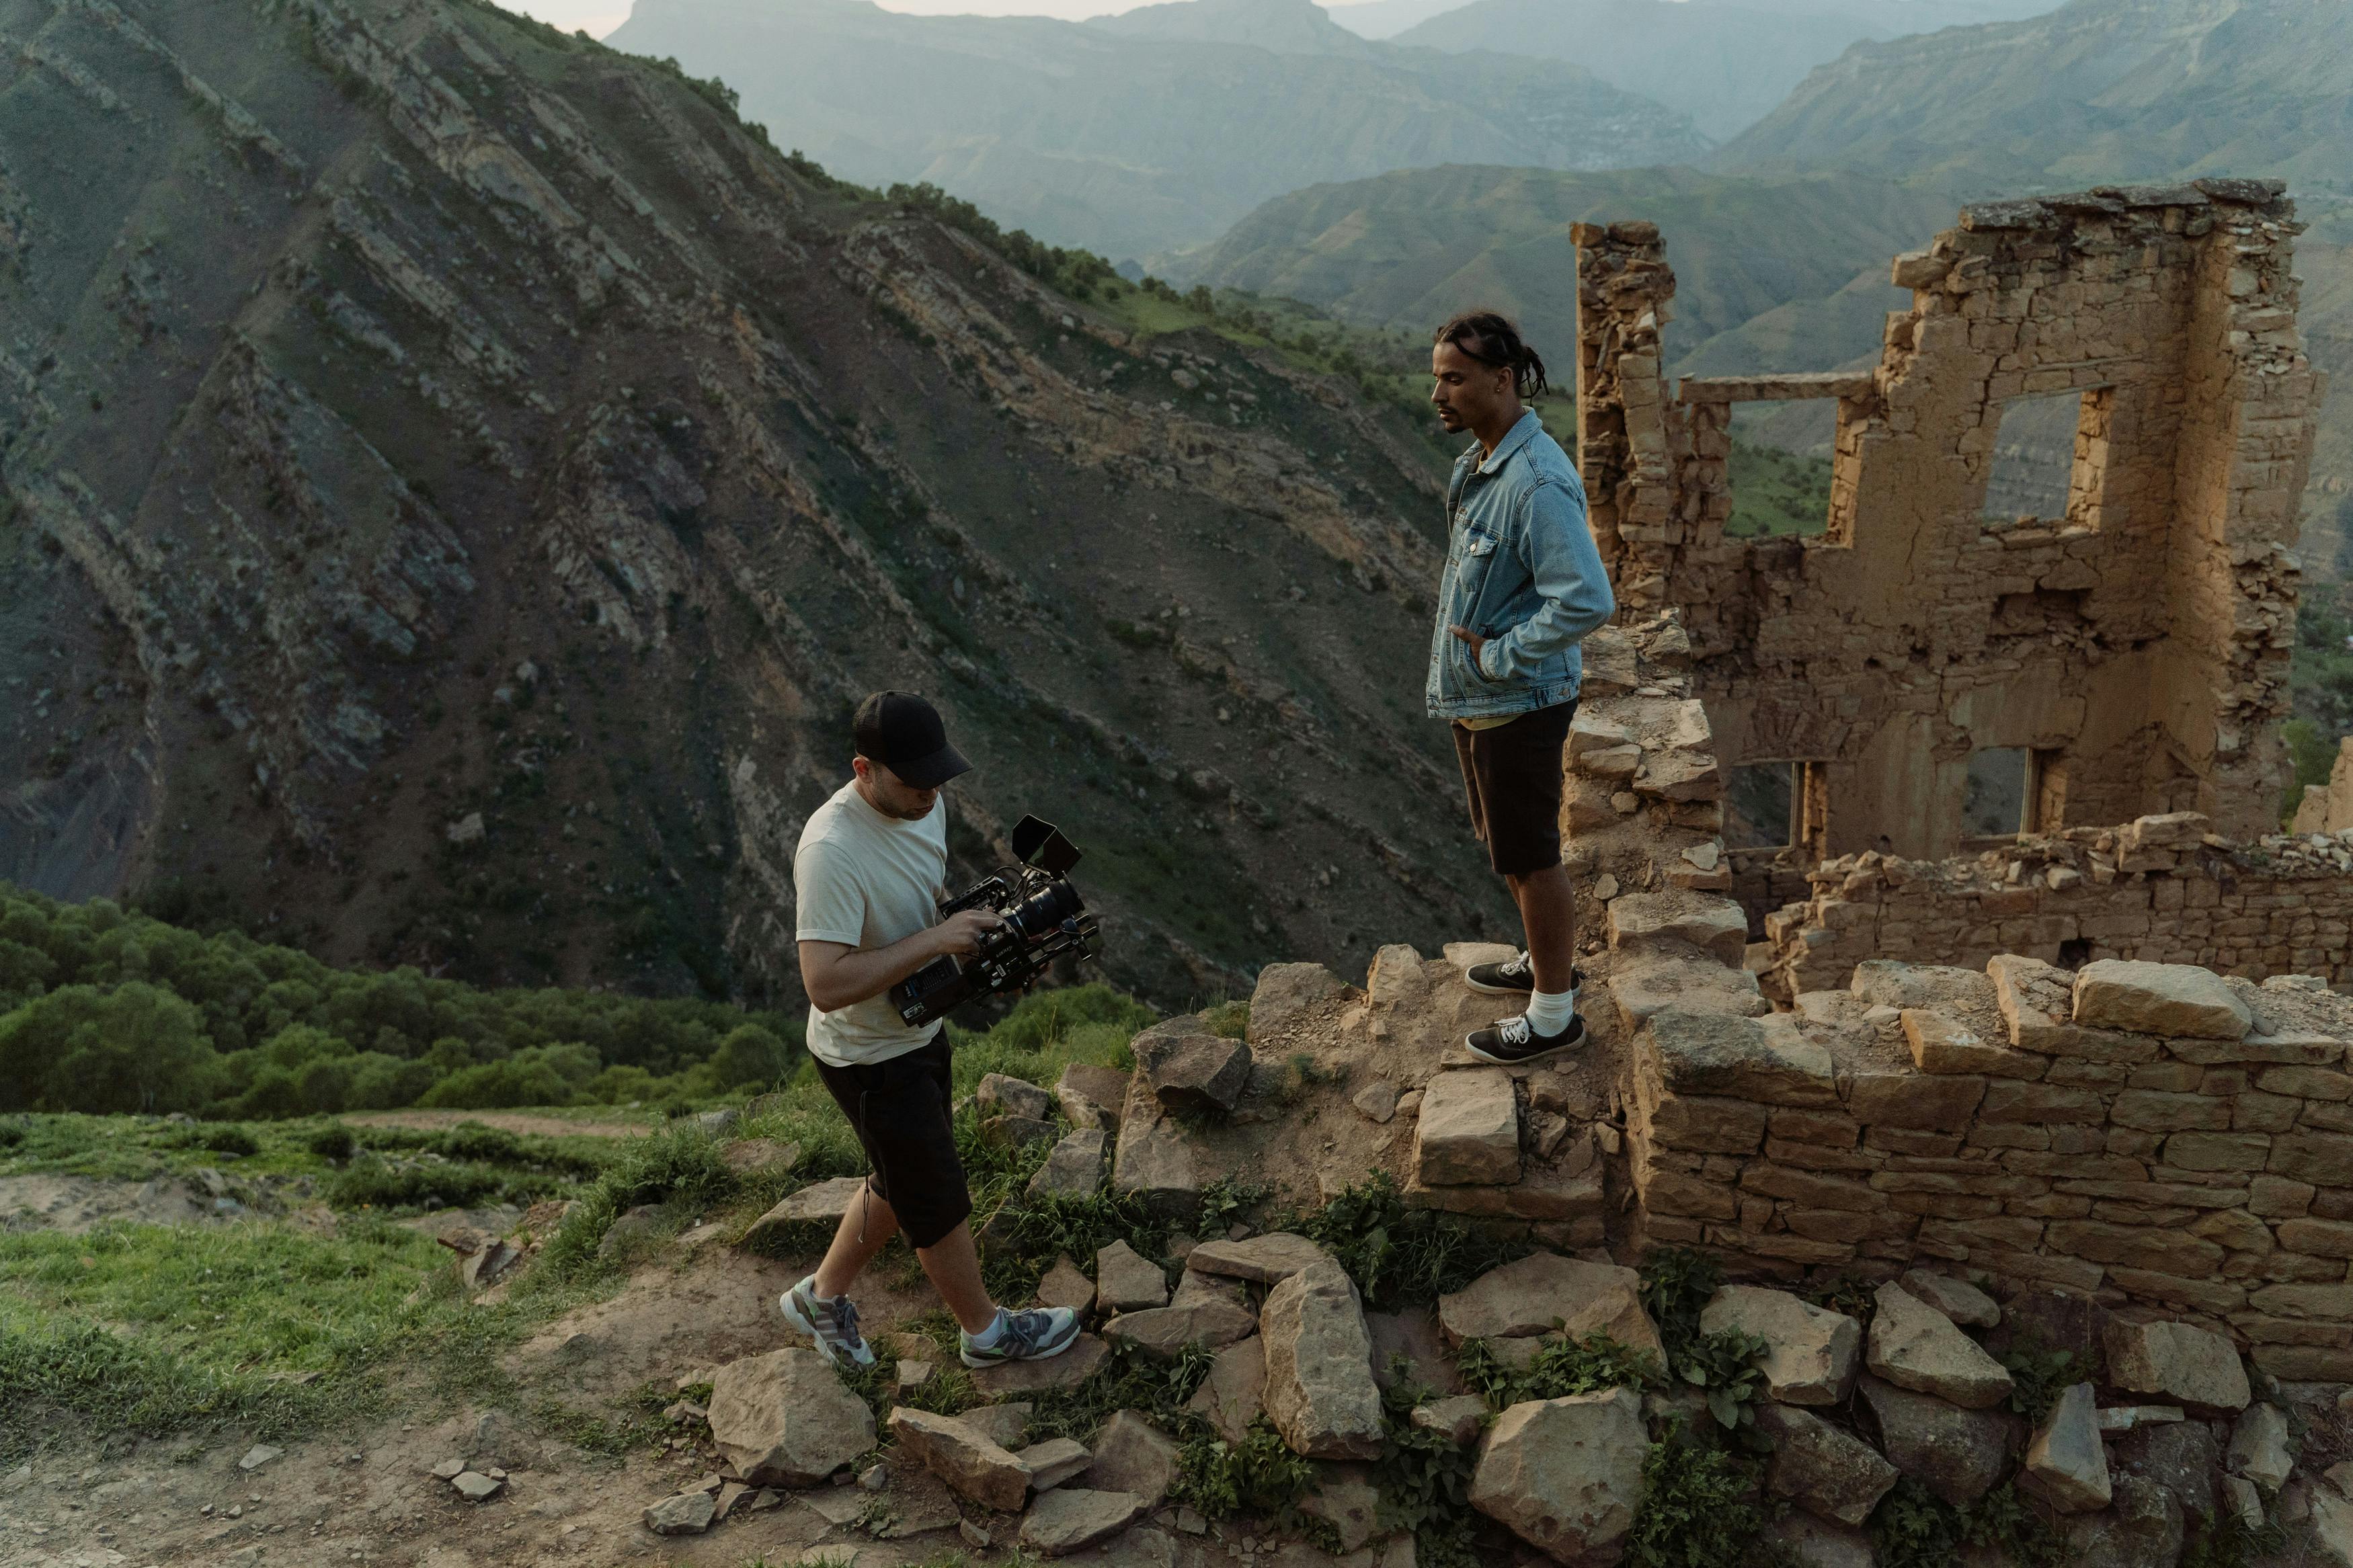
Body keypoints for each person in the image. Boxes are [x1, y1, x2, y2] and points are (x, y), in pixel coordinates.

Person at [782, 690, 1081, 1369]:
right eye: (914, 782)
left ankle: (819, 1297)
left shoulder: (926, 801)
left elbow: (923, 899)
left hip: (916, 1028)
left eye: (938, 778)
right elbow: (823, 983)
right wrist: (936, 937)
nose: (930, 794)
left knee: (899, 1179)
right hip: (866, 1055)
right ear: (864, 768)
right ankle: (986, 1332)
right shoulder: (830, 848)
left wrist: (976, 942)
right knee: (936, 1196)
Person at [1425, 311, 1616, 1065]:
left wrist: (1503, 657)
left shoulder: (1534, 482)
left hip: (1517, 700)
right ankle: (1544, 965)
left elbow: (1586, 599)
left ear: (1500, 381)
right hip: (1483, 700)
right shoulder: (1484, 461)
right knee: (1505, 845)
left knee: (1531, 855)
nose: (1436, 392)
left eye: (1452, 378)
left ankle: (1552, 1014)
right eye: (1435, 375)